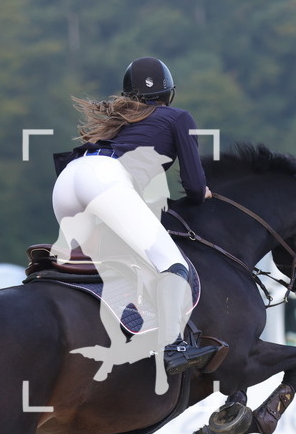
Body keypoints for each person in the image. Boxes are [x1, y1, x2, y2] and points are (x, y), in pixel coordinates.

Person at [52, 57, 219, 376]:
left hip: (68, 180)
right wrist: (204, 193)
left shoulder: (120, 120)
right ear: (169, 92)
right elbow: (194, 186)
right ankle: (174, 347)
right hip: (106, 180)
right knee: (173, 264)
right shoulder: (177, 117)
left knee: (119, 257)